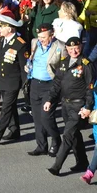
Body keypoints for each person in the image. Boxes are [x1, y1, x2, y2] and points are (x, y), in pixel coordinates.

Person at [45, 37, 93, 176]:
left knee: (67, 135)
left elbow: (90, 88)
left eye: (76, 48)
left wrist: (88, 106)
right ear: (66, 49)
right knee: (74, 134)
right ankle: (82, 162)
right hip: (65, 104)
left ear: (81, 47)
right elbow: (57, 83)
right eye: (70, 48)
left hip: (78, 105)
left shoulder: (86, 64)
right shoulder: (64, 62)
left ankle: (56, 166)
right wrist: (49, 99)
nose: (74, 51)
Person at [0, 13, 28, 144]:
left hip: (13, 81)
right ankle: (14, 130)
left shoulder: (20, 44)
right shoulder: (1, 40)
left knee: (6, 108)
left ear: (9, 29)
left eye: (1, 27)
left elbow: (23, 67)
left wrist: (26, 84)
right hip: (1, 80)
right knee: (11, 107)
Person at [26, 23, 66, 157]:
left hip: (50, 85)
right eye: (39, 36)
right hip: (35, 84)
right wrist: (28, 65)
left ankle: (57, 141)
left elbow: (63, 69)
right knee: (37, 119)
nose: (41, 39)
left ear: (52, 35)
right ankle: (41, 145)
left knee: (46, 117)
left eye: (44, 37)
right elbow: (31, 58)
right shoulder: (35, 43)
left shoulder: (60, 46)